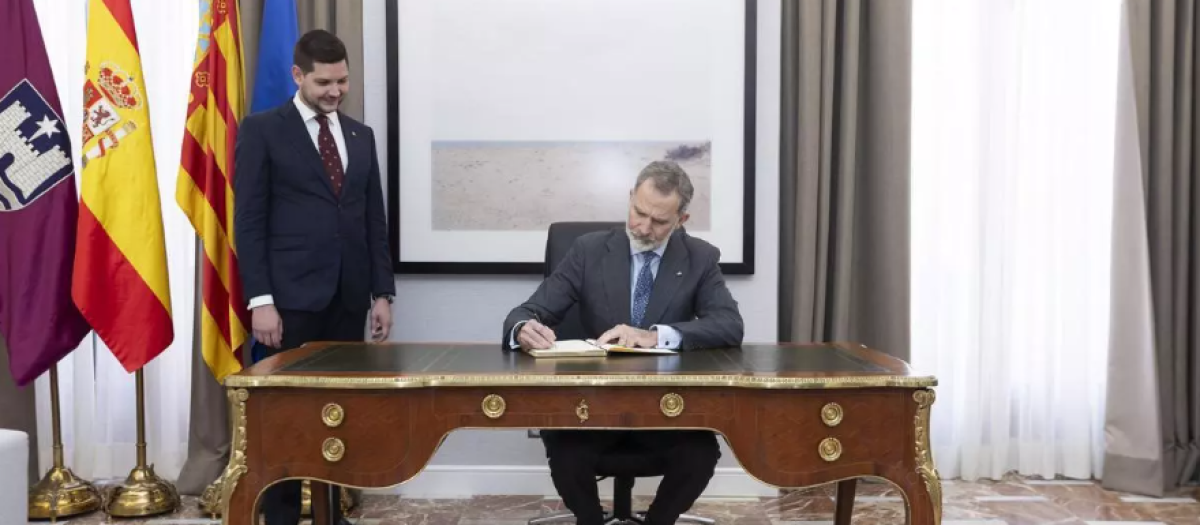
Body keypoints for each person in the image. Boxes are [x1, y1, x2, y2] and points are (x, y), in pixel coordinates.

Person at [501, 160, 744, 525]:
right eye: (638, 212)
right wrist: (522, 328)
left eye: (659, 221)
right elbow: (527, 310)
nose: (644, 227)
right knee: (567, 451)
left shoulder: (700, 258)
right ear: (631, 197)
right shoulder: (588, 251)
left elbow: (729, 325)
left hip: (666, 410)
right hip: (593, 406)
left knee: (700, 454)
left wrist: (656, 335)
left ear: (682, 219)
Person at [234, 29, 395, 525]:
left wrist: (382, 293)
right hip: (289, 302)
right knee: (287, 414)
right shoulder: (262, 130)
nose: (336, 91)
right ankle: (282, 516)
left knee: (338, 410)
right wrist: (260, 299)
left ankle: (330, 511)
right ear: (298, 75)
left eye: (343, 81)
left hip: (348, 299)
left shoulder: (359, 136)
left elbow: (373, 220)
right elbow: (250, 220)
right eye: (325, 82)